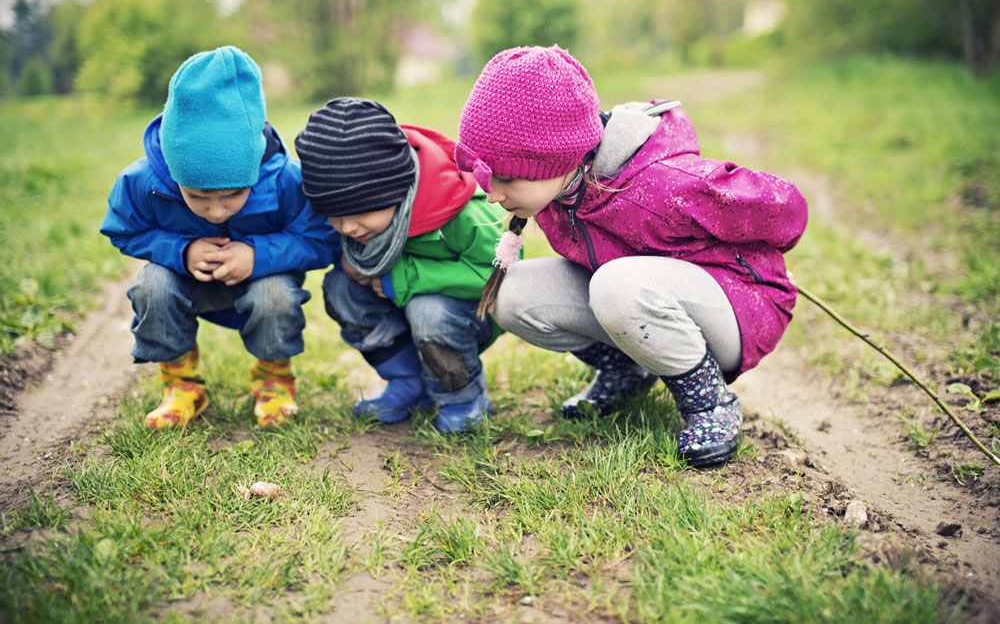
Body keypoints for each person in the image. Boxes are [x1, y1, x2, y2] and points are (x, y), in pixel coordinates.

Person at [455, 45, 808, 466]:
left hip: (739, 306)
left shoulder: (663, 185)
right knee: (510, 294)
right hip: (641, 300)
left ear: (556, 158)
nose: (492, 194)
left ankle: (710, 403)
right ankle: (628, 371)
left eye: (507, 178)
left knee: (615, 284)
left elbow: (787, 208)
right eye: (489, 177)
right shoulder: (559, 191)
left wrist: (754, 257)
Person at [101, 46, 338, 429]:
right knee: (152, 285)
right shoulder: (143, 181)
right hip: (186, 280)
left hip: (263, 280)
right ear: (175, 173)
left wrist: (258, 255)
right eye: (196, 197)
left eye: (233, 195)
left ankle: (273, 380)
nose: (216, 211)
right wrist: (181, 250)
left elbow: (321, 239)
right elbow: (124, 229)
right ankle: (181, 385)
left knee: (275, 295)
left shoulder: (286, 179)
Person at [295, 98, 507, 433]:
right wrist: (348, 262)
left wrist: (404, 277)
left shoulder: (461, 210)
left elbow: (496, 276)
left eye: (359, 213)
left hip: (464, 313)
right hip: (401, 306)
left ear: (395, 191)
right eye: (334, 216)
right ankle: (409, 382)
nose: (348, 227)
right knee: (340, 287)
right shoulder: (356, 220)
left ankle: (463, 396)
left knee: (428, 311)